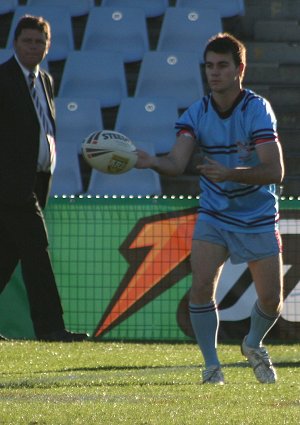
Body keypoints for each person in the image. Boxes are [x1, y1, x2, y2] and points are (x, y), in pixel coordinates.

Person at [136, 33, 284, 384]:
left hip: (257, 215)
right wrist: (150, 161)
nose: (214, 73)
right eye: (209, 66)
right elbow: (176, 163)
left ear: (239, 69)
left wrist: (231, 172)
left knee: (272, 299)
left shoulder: (257, 109)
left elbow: (275, 171)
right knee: (201, 286)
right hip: (214, 214)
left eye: (222, 66)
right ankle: (212, 366)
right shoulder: (197, 112)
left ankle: (253, 343)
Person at [0, 15, 88, 342]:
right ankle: (51, 329)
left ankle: (51, 328)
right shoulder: (3, 78)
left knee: (7, 255)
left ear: (48, 46)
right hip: (11, 184)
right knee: (37, 250)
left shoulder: (45, 81)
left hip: (37, 181)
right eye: (28, 41)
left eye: (40, 42)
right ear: (15, 43)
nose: (34, 47)